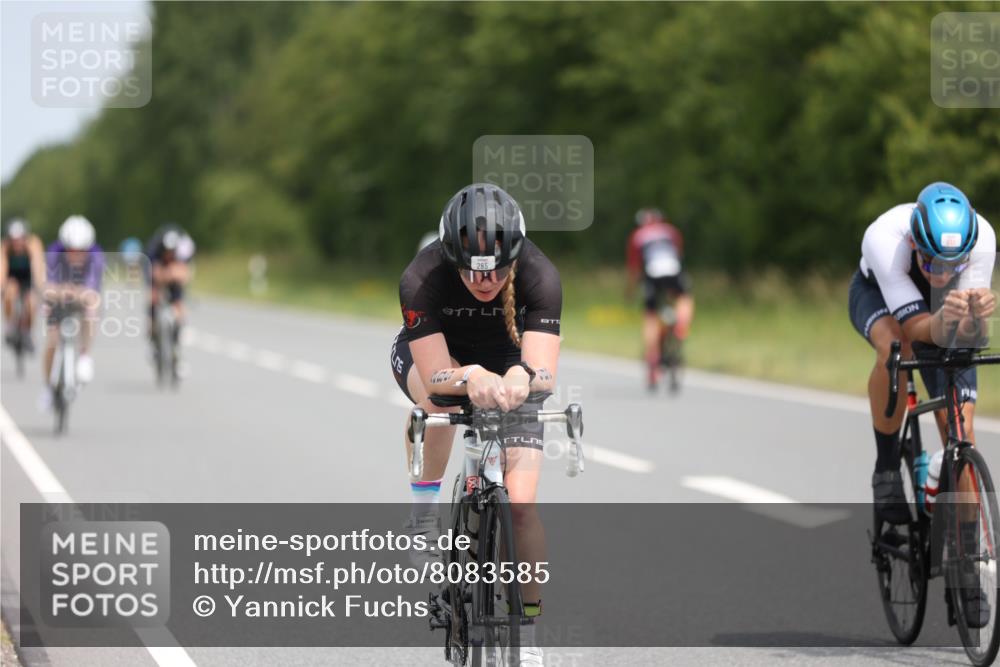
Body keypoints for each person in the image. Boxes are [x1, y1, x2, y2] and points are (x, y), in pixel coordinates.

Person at [391, 183, 561, 666]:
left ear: (515, 258)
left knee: (522, 506)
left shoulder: (541, 275)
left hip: (510, 360)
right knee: (441, 405)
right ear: (451, 257)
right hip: (443, 358)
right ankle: (423, 511)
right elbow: (436, 375)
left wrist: (520, 377)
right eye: (471, 271)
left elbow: (543, 371)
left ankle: (527, 631)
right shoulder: (421, 277)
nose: (484, 282)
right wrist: (471, 375)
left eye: (496, 271)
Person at [849, 182, 996, 625]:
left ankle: (966, 563)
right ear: (915, 244)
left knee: (962, 430)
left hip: (942, 312)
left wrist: (976, 319)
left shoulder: (982, 240)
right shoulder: (886, 239)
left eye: (954, 264)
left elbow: (969, 337)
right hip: (879, 295)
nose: (942, 273)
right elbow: (915, 329)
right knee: (896, 350)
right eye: (931, 261)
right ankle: (886, 468)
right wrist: (947, 318)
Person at [625, 207, 694, 390]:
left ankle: (653, 363)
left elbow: (634, 270)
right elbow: (678, 256)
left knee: (650, 315)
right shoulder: (671, 231)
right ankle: (681, 326)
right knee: (684, 297)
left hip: (652, 274)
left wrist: (630, 293)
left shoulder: (637, 236)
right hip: (673, 270)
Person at [42, 216, 104, 403]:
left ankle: (85, 355)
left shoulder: (96, 255)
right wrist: (60, 292)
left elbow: (92, 290)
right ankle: (48, 386)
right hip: (58, 298)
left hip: (79, 297)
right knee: (52, 341)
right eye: (71, 251)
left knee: (92, 306)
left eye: (81, 251)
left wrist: (71, 292)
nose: (76, 255)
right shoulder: (54, 253)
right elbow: (47, 286)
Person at [145, 223, 195, 355]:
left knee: (178, 301)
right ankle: (152, 330)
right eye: (167, 251)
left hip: (174, 277)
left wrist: (174, 275)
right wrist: (163, 276)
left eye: (172, 252)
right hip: (158, 270)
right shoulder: (154, 250)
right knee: (153, 297)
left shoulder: (183, 251)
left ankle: (179, 331)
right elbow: (153, 272)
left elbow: (185, 274)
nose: (169, 254)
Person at [1, 219, 46, 352]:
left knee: (31, 303)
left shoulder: (33, 244)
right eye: (14, 241)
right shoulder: (5, 247)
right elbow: (2, 268)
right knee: (9, 293)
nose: (17, 244)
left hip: (28, 278)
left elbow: (37, 266)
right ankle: (10, 325)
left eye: (20, 240)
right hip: (12, 277)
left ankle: (27, 331)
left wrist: (39, 288)